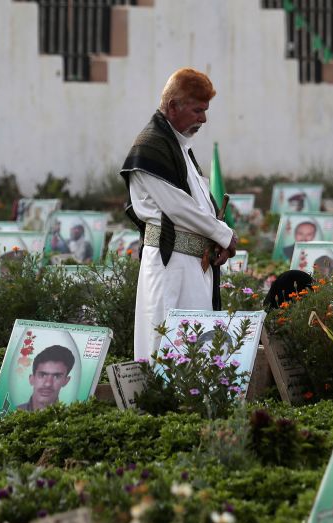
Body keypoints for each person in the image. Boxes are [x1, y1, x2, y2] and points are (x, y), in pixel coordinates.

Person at [121, 68, 236, 361]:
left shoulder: (179, 147)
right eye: (198, 110)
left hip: (194, 265)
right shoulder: (150, 147)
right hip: (169, 264)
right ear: (174, 106)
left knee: (197, 349)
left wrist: (216, 241)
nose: (203, 119)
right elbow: (177, 206)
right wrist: (224, 234)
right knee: (168, 347)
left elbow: (198, 206)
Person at [15, 345, 74, 412]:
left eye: (57, 376)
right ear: (31, 379)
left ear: (66, 381)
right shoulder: (12, 413)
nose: (48, 384)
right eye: (42, 375)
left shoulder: (72, 418)